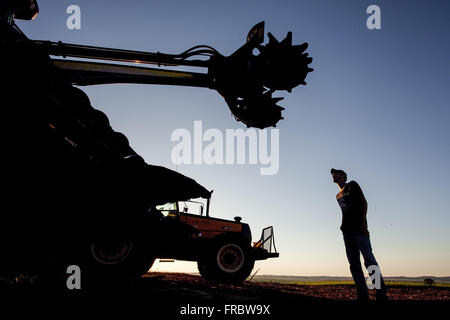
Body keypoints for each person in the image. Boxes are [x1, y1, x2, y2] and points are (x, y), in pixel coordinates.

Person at [331, 168, 388, 301]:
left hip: (359, 230)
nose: (335, 176)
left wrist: (362, 225)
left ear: (344, 176)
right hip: (347, 232)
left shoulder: (352, 185)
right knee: (354, 263)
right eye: (333, 175)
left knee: (369, 260)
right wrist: (343, 228)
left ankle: (381, 293)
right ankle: (362, 294)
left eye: (338, 174)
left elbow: (363, 203)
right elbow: (345, 212)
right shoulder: (338, 196)